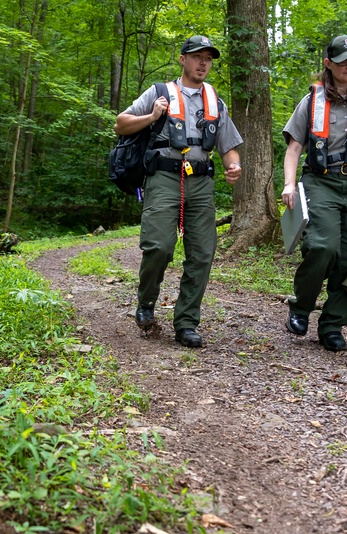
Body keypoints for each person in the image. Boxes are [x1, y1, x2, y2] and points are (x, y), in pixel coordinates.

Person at [115, 35, 243, 348]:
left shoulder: (216, 101)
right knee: (158, 247)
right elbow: (121, 124)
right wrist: (152, 117)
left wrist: (234, 166)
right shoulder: (159, 93)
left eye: (208, 58)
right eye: (197, 56)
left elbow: (230, 146)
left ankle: (186, 322)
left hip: (201, 183)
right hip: (163, 177)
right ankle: (146, 302)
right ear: (182, 59)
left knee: (202, 255)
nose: (203, 63)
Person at [280, 34, 347, 352]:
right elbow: (294, 148)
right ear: (329, 64)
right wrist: (288, 185)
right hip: (320, 181)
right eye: (344, 62)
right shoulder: (311, 101)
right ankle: (301, 307)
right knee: (322, 247)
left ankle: (332, 325)